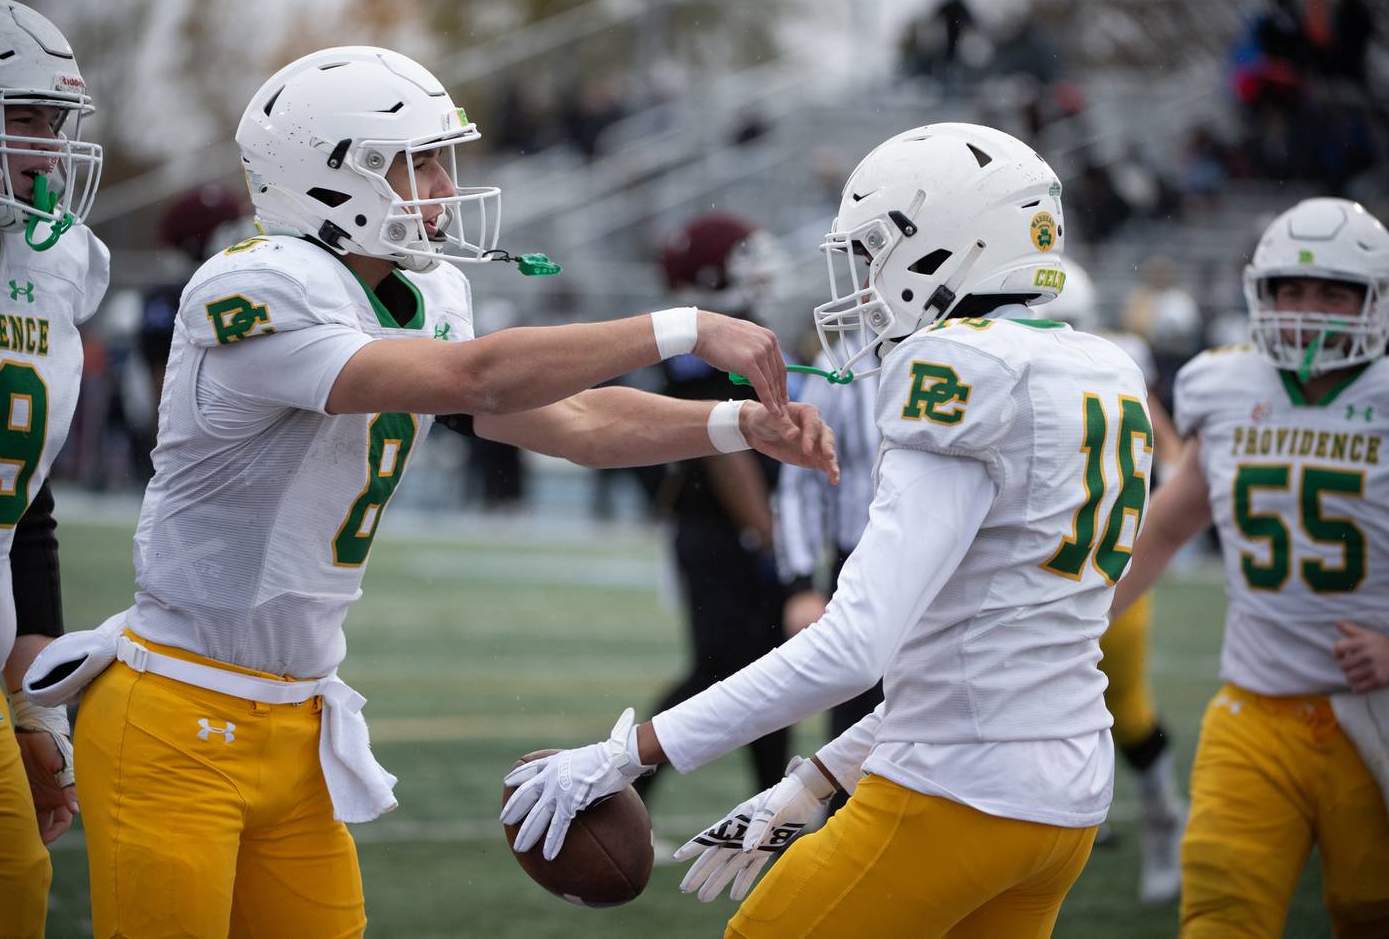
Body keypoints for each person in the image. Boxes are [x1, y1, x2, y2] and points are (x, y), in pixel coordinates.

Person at [44, 46, 836, 939]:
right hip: (175, 715)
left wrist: (734, 425)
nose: (443, 188)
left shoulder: (425, 292)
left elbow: (571, 420)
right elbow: (483, 380)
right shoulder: (257, 285)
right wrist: (684, 326)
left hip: (299, 717)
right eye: (416, 163)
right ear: (331, 175)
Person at [505, 122, 1153, 938]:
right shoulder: (1100, 366)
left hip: (956, 795)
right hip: (1059, 808)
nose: (862, 278)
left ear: (949, 245)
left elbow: (854, 648)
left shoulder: (960, 367)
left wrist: (626, 753)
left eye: (876, 250)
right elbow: (983, 650)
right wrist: (816, 778)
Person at [1108, 196, 1389, 938]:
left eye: (1335, 292)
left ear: (1376, 299)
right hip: (1256, 708)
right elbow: (1169, 523)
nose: (1309, 312)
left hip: (1376, 711)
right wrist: (1080, 619)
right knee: (1222, 908)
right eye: (1291, 291)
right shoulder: (1226, 385)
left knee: (1368, 910)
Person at [0, 0, 107, 939]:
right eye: (22, 116)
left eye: (56, 121)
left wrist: (33, 702)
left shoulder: (52, 266)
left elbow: (18, 500)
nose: (47, 148)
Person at [636, 213, 797, 812]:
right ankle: (619, 783)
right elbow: (724, 448)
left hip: (734, 529)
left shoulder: (724, 332)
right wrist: (769, 537)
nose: (764, 264)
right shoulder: (700, 344)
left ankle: (771, 808)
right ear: (713, 273)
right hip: (724, 532)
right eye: (747, 254)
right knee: (719, 674)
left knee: (766, 675)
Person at [1038, 258, 1187, 905]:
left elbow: (1173, 451)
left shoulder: (1112, 361)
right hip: (1031, 570)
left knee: (1124, 708)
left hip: (1098, 566)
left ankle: (1162, 821)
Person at [772, 341, 881, 817]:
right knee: (854, 704)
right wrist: (801, 582)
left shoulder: (970, 351)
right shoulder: (842, 361)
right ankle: (838, 819)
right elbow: (802, 480)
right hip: (859, 560)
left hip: (950, 566)